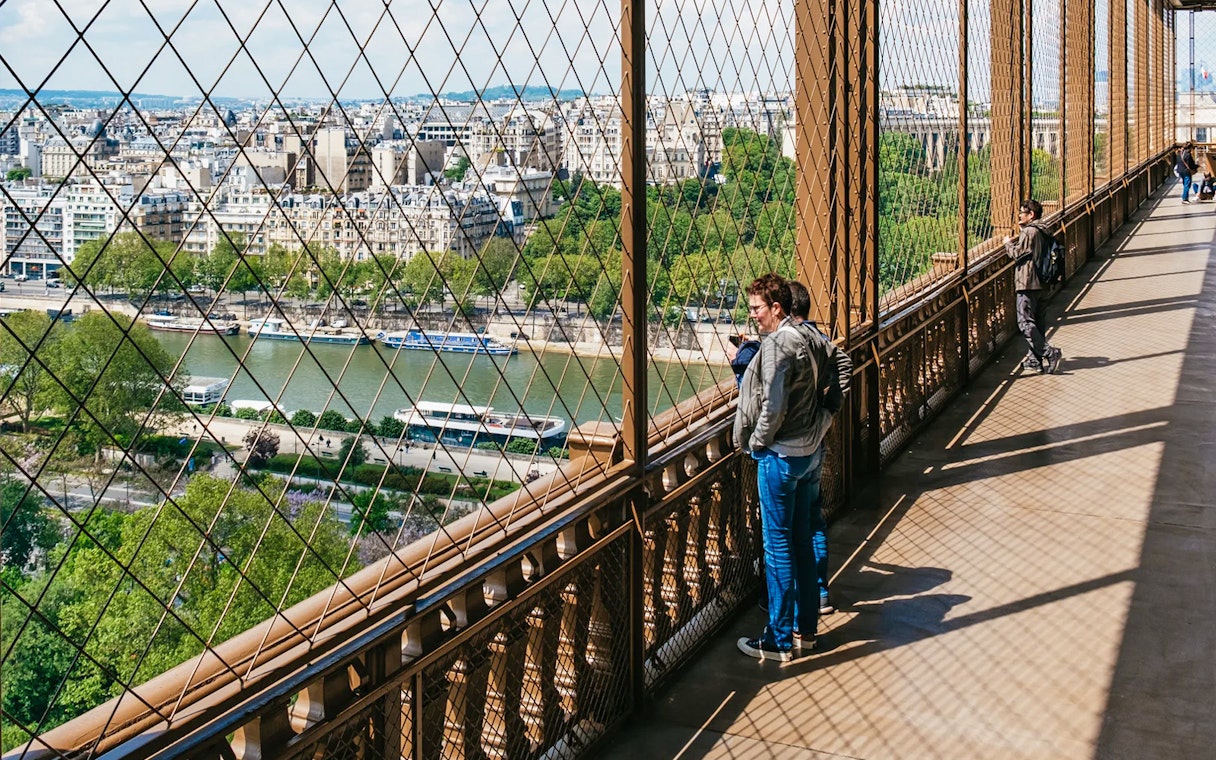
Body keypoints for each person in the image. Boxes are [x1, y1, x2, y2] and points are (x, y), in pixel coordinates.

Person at [733, 273, 829, 661]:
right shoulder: (809, 335)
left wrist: (756, 443)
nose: (752, 315)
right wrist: (825, 421)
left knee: (777, 548)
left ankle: (777, 639)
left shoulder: (776, 347)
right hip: (809, 452)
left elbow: (771, 407)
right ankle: (805, 630)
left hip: (782, 456)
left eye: (756, 308)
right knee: (803, 541)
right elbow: (841, 366)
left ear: (776, 307)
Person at [787, 280, 853, 616]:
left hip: (794, 445)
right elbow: (844, 367)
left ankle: (794, 605)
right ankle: (819, 592)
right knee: (813, 520)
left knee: (789, 528)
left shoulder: (793, 341)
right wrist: (828, 413)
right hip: (816, 441)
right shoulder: (819, 338)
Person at [1004, 199, 1063, 374]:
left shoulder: (1029, 232)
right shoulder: (1043, 229)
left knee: (1025, 322)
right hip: (1043, 283)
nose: (1019, 215)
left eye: (1022, 212)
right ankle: (1034, 359)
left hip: (1027, 283)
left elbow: (1017, 254)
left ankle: (1049, 353)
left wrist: (1007, 242)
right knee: (1038, 322)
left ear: (1031, 215)